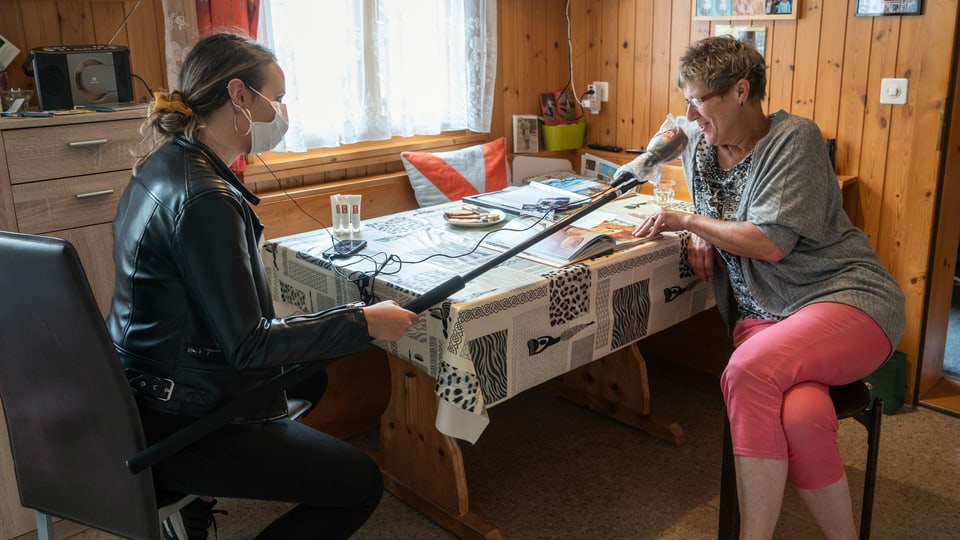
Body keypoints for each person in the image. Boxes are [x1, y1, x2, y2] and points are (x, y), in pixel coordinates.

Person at [106, 32, 419, 539]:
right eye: (277, 97)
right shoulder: (204, 198)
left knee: (311, 375)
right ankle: (198, 481)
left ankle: (197, 503)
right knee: (360, 483)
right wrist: (363, 322)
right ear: (239, 95)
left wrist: (346, 326)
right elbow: (249, 344)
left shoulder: (168, 163)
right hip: (184, 418)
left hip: (148, 386)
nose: (281, 111)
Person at [625, 36, 904, 539]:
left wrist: (688, 220)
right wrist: (697, 228)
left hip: (841, 299)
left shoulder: (794, 139)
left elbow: (770, 242)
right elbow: (672, 157)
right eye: (685, 99)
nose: (689, 112)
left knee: (747, 372)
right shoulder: (702, 143)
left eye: (697, 100)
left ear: (739, 91)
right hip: (762, 317)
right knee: (801, 417)